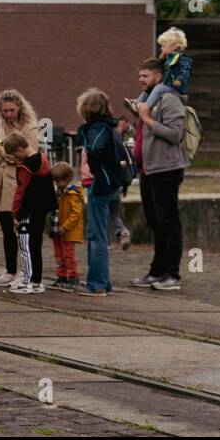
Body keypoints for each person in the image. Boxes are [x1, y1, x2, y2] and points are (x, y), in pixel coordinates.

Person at [132, 58, 190, 291]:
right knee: (155, 223)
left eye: (145, 76)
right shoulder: (149, 100)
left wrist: (146, 118)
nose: (140, 80)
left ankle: (171, 275)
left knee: (169, 222)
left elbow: (175, 134)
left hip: (166, 170)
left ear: (158, 76)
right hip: (149, 170)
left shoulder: (170, 100)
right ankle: (157, 271)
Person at [76, 88, 129, 296]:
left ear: (86, 109)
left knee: (97, 237)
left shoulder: (94, 130)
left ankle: (96, 285)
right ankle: (103, 282)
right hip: (114, 185)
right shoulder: (111, 129)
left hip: (100, 187)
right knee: (99, 235)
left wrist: (96, 173)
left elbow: (96, 153)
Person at [0, 89, 39, 287]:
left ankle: (27, 272)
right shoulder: (0, 124)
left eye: (12, 110)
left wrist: (5, 155)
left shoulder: (29, 127)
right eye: (4, 111)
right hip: (0, 179)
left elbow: (31, 158)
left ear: (20, 108)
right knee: (5, 226)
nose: (8, 114)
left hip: (17, 180)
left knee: (20, 227)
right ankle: (9, 270)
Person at [4, 131, 54, 294]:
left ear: (19, 149)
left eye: (15, 156)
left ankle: (30, 282)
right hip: (42, 208)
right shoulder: (42, 158)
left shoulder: (27, 166)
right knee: (36, 246)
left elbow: (21, 192)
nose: (16, 160)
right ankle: (37, 281)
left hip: (28, 211)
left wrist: (15, 214)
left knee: (27, 247)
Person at [49, 162, 85, 291]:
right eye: (56, 181)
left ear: (68, 179)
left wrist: (65, 226)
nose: (57, 184)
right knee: (59, 255)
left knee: (69, 256)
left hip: (67, 231)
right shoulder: (59, 191)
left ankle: (73, 277)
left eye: (60, 181)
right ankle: (62, 276)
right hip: (56, 230)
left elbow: (76, 213)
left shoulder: (72, 194)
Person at [157, 26, 193, 98]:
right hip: (168, 84)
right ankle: (138, 103)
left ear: (174, 46)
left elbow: (186, 71)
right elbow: (161, 68)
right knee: (151, 87)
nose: (161, 48)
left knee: (158, 89)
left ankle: (147, 106)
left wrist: (179, 79)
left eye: (163, 46)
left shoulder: (182, 58)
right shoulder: (169, 58)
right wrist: (161, 59)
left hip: (176, 87)